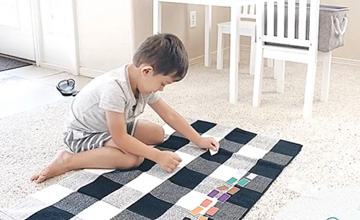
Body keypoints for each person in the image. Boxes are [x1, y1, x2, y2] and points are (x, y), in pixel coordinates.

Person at [31, 33, 219, 183]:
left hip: (111, 126)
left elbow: (168, 114)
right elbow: (120, 137)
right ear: (147, 71)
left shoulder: (144, 82)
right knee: (132, 159)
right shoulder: (115, 88)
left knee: (157, 134)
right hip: (83, 134)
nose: (161, 89)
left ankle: (120, 147)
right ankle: (68, 160)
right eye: (163, 83)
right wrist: (157, 155)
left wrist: (198, 139)